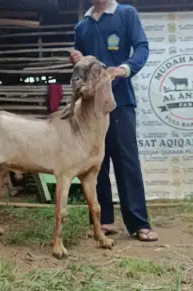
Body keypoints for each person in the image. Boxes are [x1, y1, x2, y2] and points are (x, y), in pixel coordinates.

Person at [70, 0, 158, 242]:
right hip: (90, 107)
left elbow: (142, 47)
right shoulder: (82, 27)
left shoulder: (126, 14)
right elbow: (82, 66)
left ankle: (139, 223)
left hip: (119, 101)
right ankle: (104, 221)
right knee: (94, 163)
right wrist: (77, 58)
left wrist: (123, 69)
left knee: (126, 161)